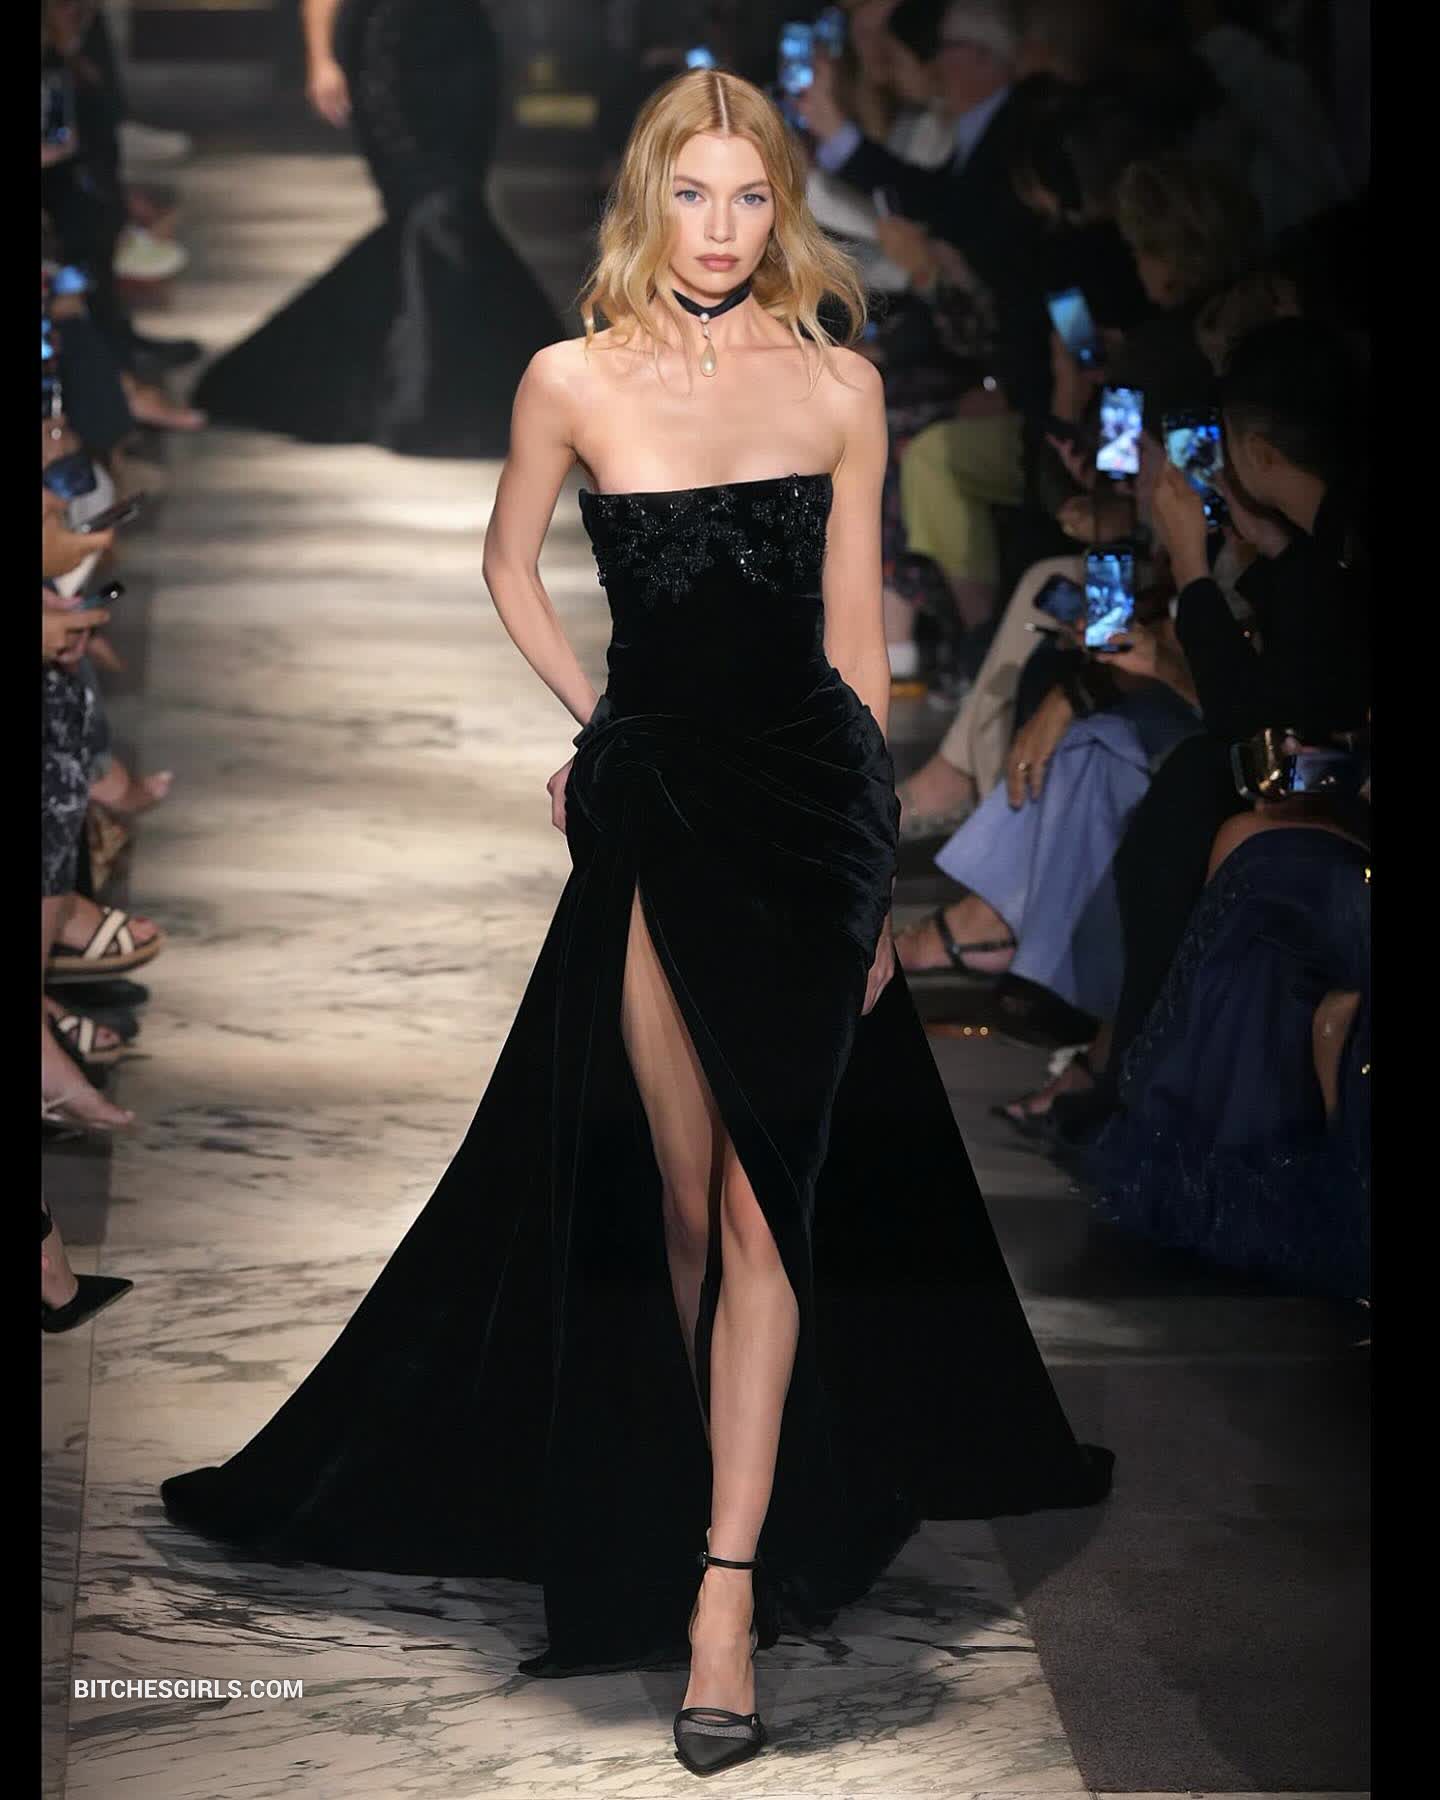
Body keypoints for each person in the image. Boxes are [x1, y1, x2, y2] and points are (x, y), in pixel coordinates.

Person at [160, 68, 1111, 1781]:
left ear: (780, 206)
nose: (723, 229)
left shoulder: (838, 384)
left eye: (750, 198)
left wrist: (873, 875)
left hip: (807, 821)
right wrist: (601, 724)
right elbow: (506, 562)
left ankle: (725, 1593)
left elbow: (857, 649)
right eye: (694, 196)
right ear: (647, 201)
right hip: (664, 817)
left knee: (769, 1204)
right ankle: (687, 1487)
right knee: (682, 1200)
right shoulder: (570, 378)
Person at [192, 0, 562, 456]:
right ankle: (435, 399)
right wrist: (321, 58)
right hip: (389, 55)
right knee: (432, 216)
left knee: (452, 213)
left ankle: (444, 389)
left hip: (465, 50)